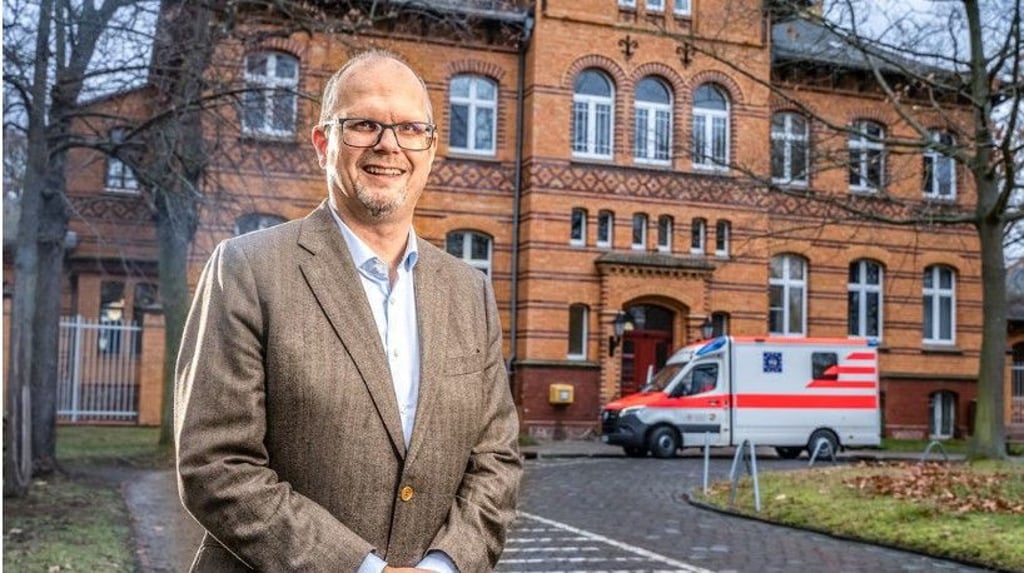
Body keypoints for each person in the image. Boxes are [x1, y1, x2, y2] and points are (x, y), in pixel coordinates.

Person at [174, 50, 522, 572]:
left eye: (409, 128)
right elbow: (216, 465)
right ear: (323, 143)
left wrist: (445, 565)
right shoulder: (248, 269)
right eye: (364, 124)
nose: (389, 145)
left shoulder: (469, 290)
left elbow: (496, 459)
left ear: (429, 149)